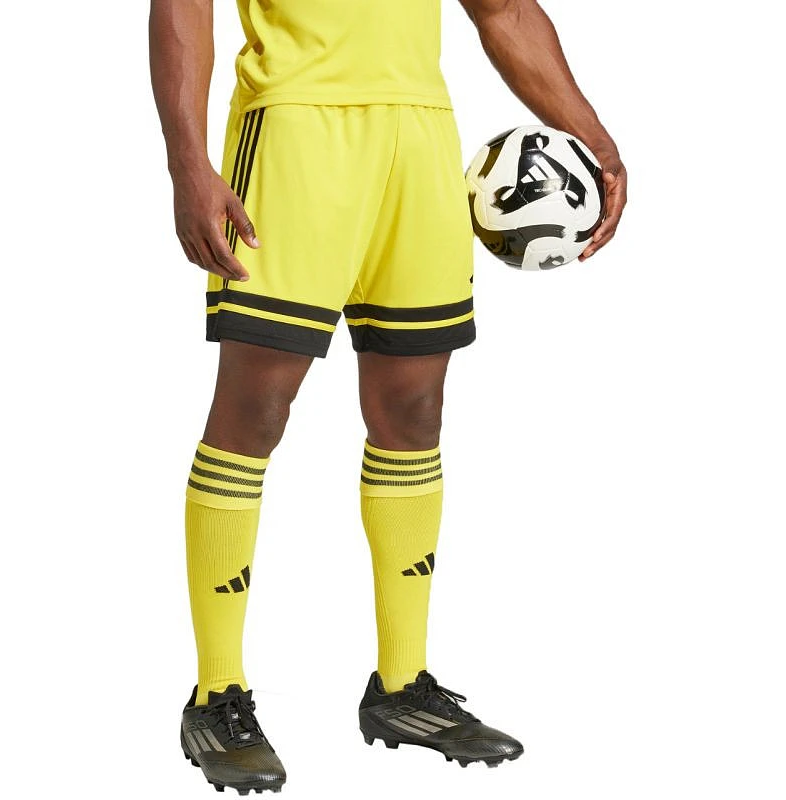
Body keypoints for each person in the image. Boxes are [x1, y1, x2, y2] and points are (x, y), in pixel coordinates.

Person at [149, 0, 627, 794]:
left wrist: (596, 141)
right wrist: (188, 162)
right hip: (297, 126)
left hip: (420, 133)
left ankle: (401, 687)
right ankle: (216, 694)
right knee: (255, 408)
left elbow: (504, 10)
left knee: (414, 411)